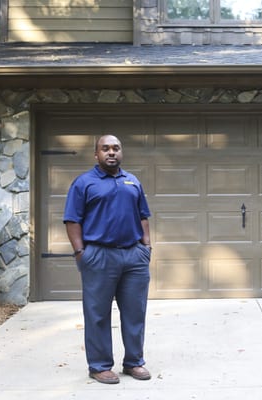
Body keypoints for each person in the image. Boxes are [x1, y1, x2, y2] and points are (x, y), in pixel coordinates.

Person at [63, 135, 152, 384]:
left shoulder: (132, 181)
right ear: (96, 154)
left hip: (134, 256)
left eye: (116, 148)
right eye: (105, 149)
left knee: (135, 312)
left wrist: (146, 247)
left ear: (121, 152)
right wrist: (82, 253)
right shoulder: (84, 183)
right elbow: (72, 220)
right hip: (99, 256)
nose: (111, 152)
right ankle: (99, 365)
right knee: (98, 313)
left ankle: (134, 362)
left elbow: (143, 216)